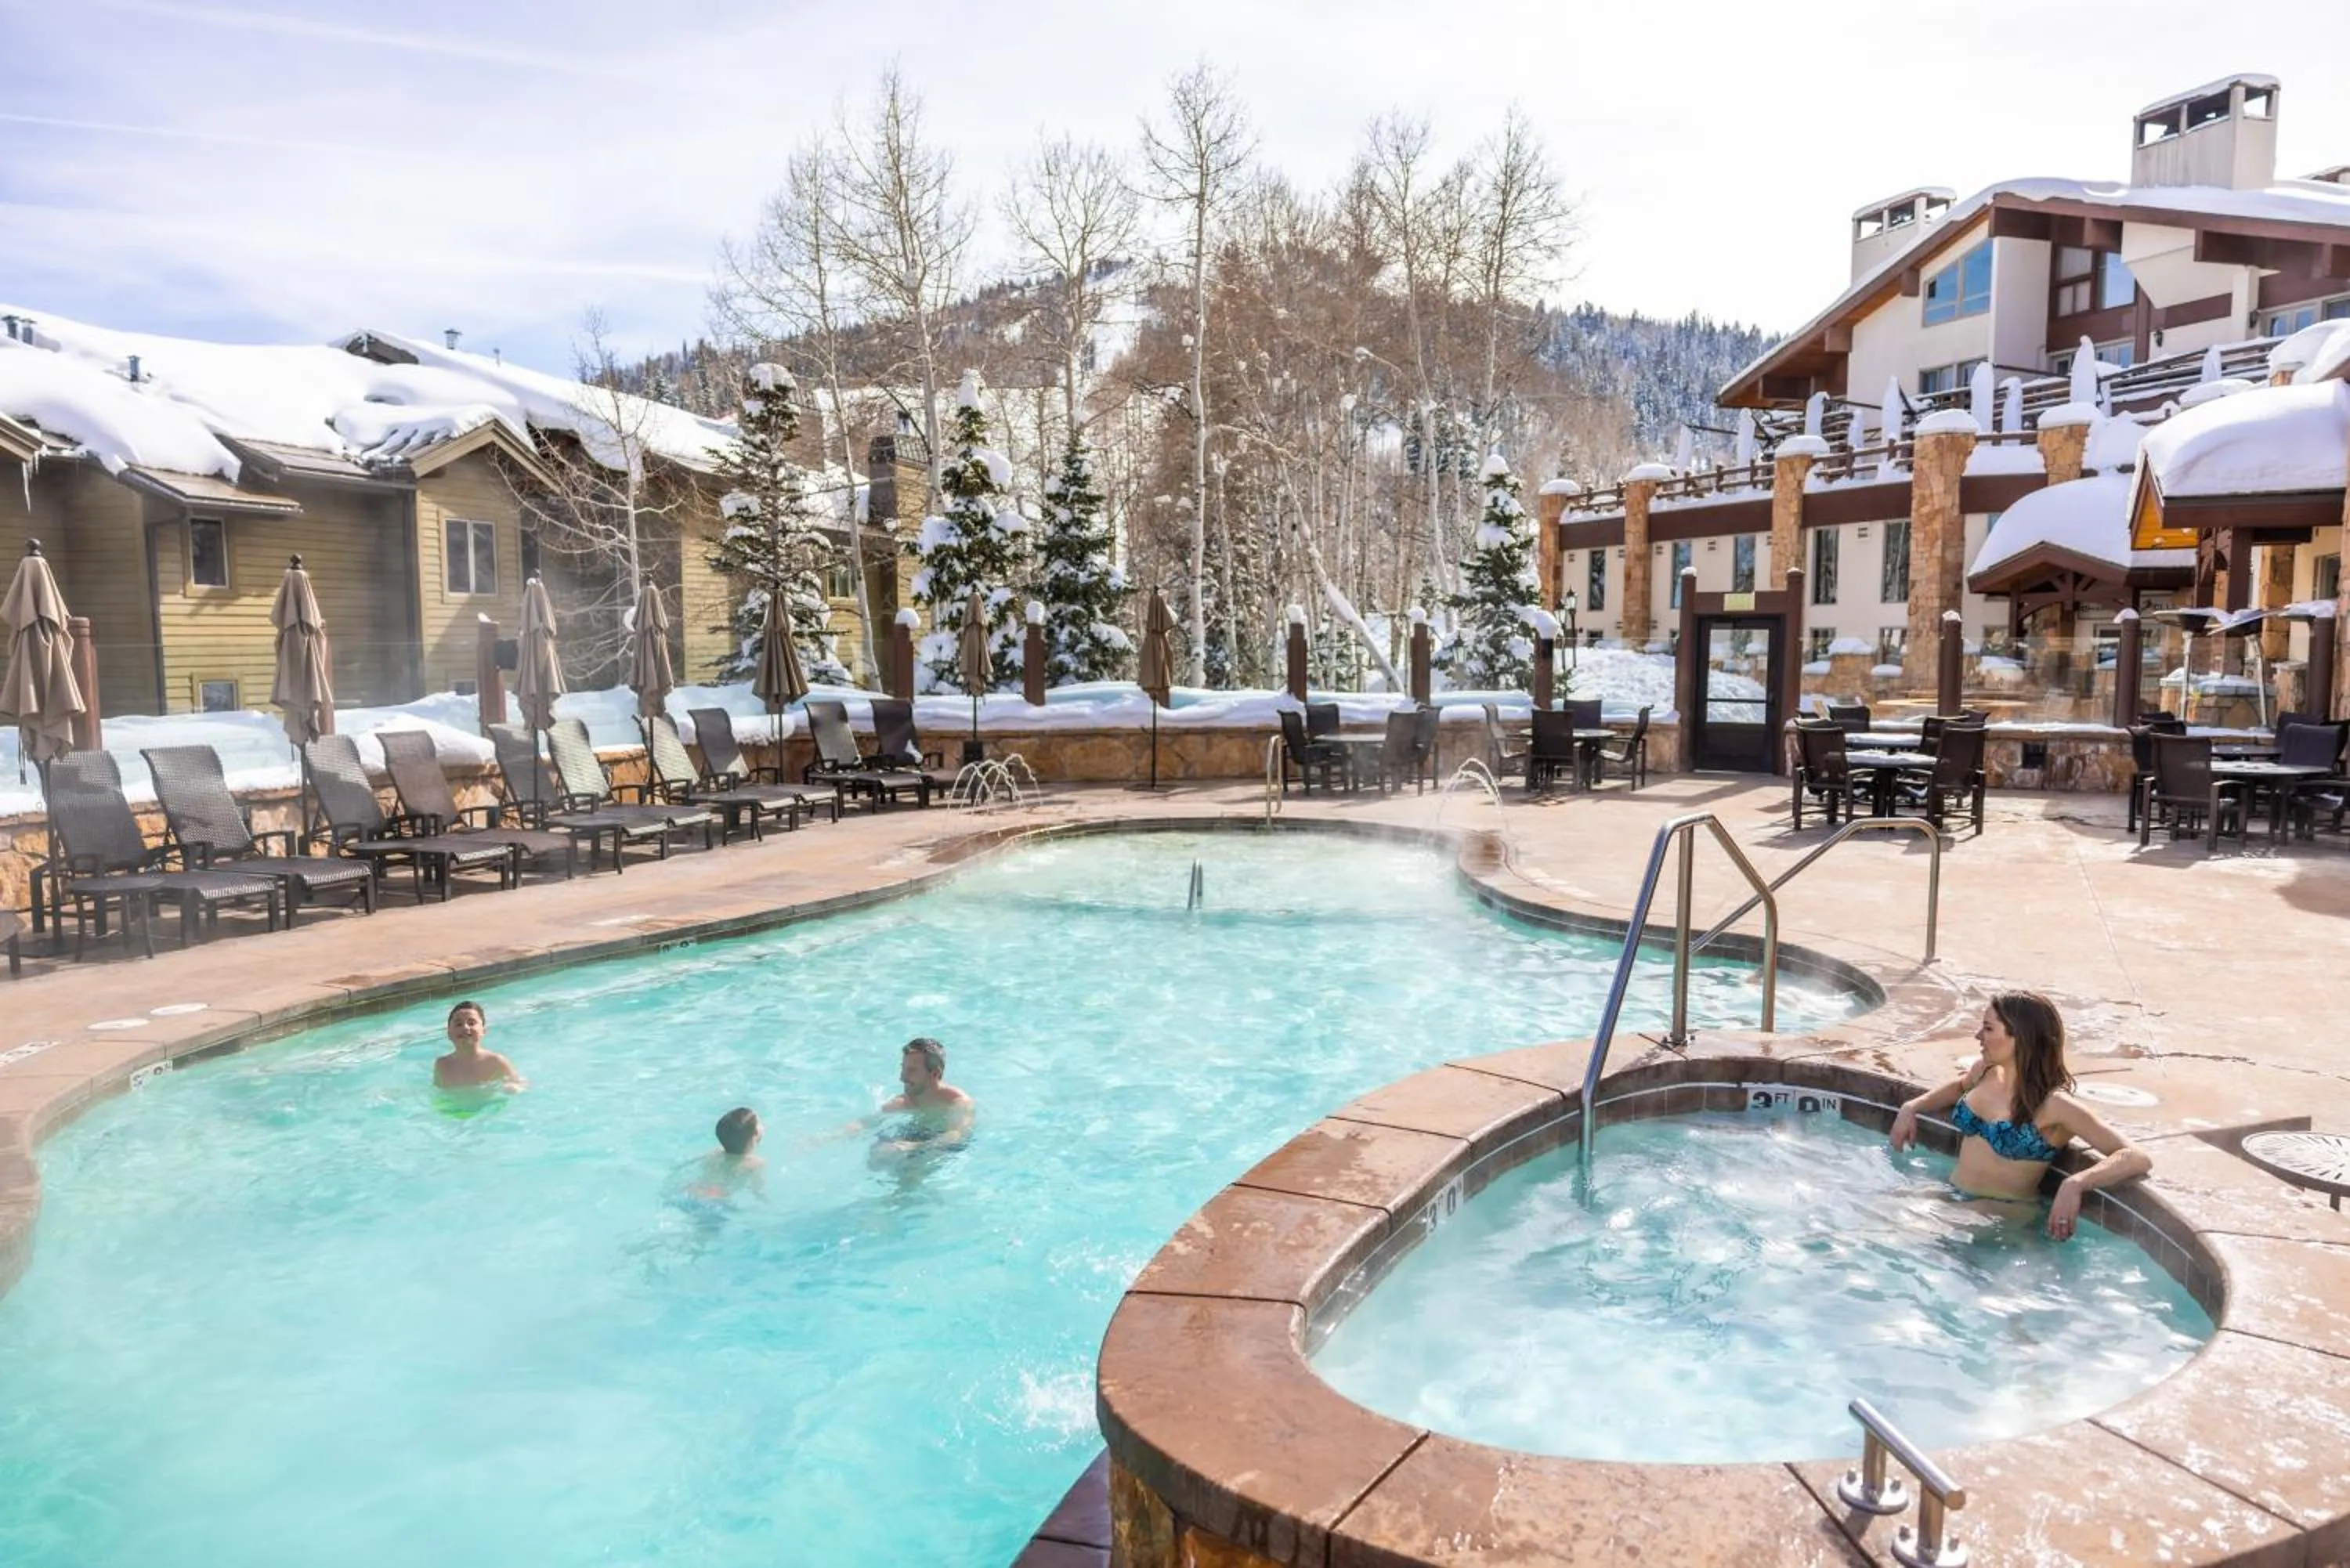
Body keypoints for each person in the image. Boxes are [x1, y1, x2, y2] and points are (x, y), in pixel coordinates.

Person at [1889, 992, 2150, 1241]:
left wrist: (2076, 1183)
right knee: (1885, 1212)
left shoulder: (2055, 1105)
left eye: (1989, 1029)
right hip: (1952, 1194)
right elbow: (1959, 1087)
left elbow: (2135, 1157)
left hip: (2002, 1214)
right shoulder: (1985, 1071)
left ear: (2020, 1038)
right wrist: (1912, 1106)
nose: (1978, 1035)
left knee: (1907, 1233)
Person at [827, 1037, 974, 1161]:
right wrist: (823, 1139)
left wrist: (913, 1147)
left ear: (935, 1074)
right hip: (918, 1135)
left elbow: (956, 1134)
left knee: (914, 1164)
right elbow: (864, 1123)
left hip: (948, 1147)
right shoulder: (902, 1103)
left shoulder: (957, 1102)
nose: (902, 1077)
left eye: (911, 1070)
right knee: (878, 1155)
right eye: (903, 1068)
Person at [432, 1000, 525, 1091]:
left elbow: (520, 1084)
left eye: (471, 1023)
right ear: (449, 1033)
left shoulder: (496, 1062)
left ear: (483, 1031)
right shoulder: (442, 1065)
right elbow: (438, 1095)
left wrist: (513, 1088)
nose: (465, 1027)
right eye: (458, 1024)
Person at [685, 1107, 767, 1200]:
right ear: (755, 1133)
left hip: (699, 1187)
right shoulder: (756, 1163)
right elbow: (757, 1188)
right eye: (759, 1123)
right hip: (720, 1195)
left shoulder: (716, 1152)